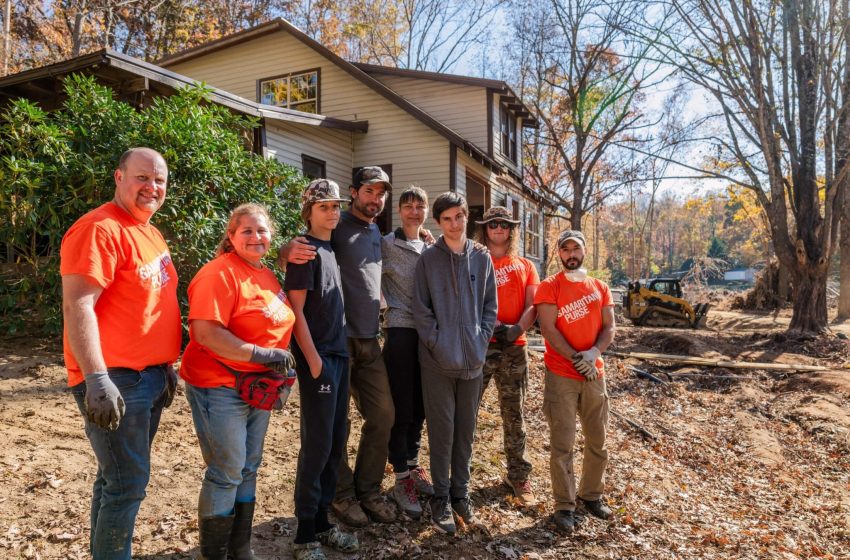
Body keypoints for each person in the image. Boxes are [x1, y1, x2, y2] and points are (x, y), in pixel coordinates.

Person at [61, 147, 181, 560]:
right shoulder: (100, 228)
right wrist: (96, 378)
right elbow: (78, 304)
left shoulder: (147, 229)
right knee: (128, 483)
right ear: (119, 177)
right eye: (142, 178)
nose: (152, 187)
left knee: (112, 480)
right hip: (116, 378)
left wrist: (166, 363)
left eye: (159, 180)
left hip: (149, 376)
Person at [281, 166, 397, 527]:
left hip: (368, 340)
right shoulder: (336, 223)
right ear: (354, 191)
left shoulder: (375, 229)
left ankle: (368, 490)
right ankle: (339, 497)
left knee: (383, 415)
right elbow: (300, 248)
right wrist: (285, 248)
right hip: (335, 343)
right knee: (332, 427)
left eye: (381, 193)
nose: (375, 198)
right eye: (368, 191)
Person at [180, 203, 297, 560]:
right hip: (219, 385)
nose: (255, 237)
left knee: (248, 467)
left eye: (261, 230)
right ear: (231, 237)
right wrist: (263, 355)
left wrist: (281, 367)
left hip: (257, 388)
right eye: (246, 231)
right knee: (227, 471)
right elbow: (204, 332)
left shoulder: (265, 274)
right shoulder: (219, 273)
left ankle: (240, 547)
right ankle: (214, 553)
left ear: (271, 235)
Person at [413, 192, 497, 535]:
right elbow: (421, 309)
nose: (454, 223)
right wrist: (438, 342)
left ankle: (462, 494)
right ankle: (442, 498)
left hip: (473, 363)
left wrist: (480, 341)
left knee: (466, 431)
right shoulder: (428, 260)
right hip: (437, 362)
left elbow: (490, 307)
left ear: (467, 217)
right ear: (438, 222)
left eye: (459, 217)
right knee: (443, 431)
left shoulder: (481, 257)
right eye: (446, 218)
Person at [285, 179, 360, 560]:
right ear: (309, 212)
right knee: (316, 445)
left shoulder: (331, 247)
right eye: (323, 207)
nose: (332, 213)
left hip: (339, 356)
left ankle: (323, 522)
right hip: (320, 361)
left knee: (335, 442)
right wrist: (312, 361)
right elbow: (295, 311)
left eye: (335, 207)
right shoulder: (304, 252)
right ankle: (303, 534)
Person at [534, 229, 616, 533]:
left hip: (595, 375)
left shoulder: (600, 287)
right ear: (559, 253)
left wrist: (594, 353)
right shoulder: (549, 287)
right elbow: (549, 330)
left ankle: (591, 495)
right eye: (565, 249)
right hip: (562, 375)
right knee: (563, 443)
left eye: (576, 249)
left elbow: (609, 327)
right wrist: (577, 359)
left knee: (598, 439)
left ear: (584, 252)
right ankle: (564, 505)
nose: (571, 254)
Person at [474, 206, 540, 506]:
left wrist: (517, 328)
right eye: (492, 224)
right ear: (485, 229)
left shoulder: (524, 265)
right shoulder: (475, 259)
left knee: (514, 414)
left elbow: (533, 304)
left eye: (504, 225)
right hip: (479, 345)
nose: (498, 229)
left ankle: (518, 475)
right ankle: (457, 473)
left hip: (514, 347)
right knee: (466, 412)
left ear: (511, 230)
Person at [381, 186, 435, 520]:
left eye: (420, 206)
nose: (414, 212)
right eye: (408, 206)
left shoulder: (432, 245)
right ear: (399, 210)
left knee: (421, 405)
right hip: (400, 330)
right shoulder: (386, 243)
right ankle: (400, 477)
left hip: (429, 334)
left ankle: (414, 466)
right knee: (401, 407)